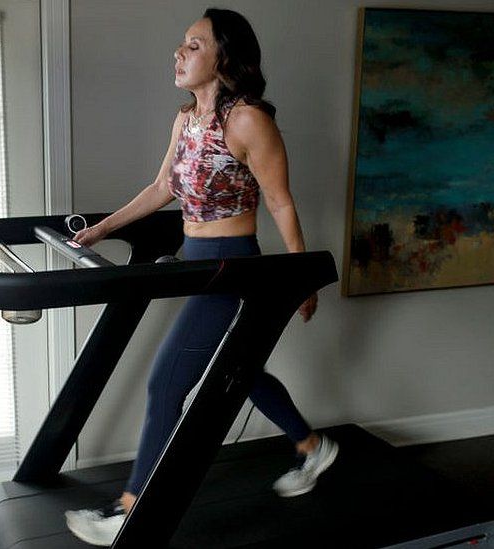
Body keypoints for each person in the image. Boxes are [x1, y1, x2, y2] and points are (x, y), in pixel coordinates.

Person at [64, 8, 337, 546]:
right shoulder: (185, 119)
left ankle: (130, 508)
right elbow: (161, 187)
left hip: (233, 265)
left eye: (193, 45)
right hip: (196, 262)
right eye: (182, 45)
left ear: (223, 56)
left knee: (166, 381)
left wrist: (301, 275)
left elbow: (280, 201)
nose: (179, 53)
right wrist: (99, 231)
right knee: (238, 367)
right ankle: (310, 446)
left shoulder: (248, 120)